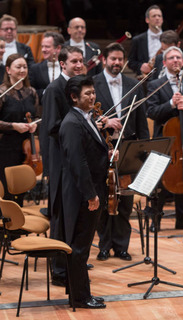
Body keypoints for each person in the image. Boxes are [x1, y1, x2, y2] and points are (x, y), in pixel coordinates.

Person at [60, 75, 114, 309]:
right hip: (83, 194)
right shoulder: (72, 122)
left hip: (91, 189)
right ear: (74, 97)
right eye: (87, 94)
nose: (93, 97)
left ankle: (81, 293)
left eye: (93, 92)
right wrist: (91, 195)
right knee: (80, 247)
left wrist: (108, 155)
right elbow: (77, 162)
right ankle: (80, 298)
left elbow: (91, 152)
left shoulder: (86, 117)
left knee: (82, 246)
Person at [94, 42, 149, 261]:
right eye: (113, 59)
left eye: (120, 59)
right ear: (104, 60)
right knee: (104, 198)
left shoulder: (133, 84)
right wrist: (105, 122)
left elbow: (141, 119)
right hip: (103, 147)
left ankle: (122, 246)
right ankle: (104, 245)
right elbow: (88, 117)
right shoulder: (93, 84)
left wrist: (143, 149)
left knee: (125, 200)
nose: (117, 63)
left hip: (127, 147)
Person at [40, 46, 85, 286]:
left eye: (81, 61)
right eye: (74, 61)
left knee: (75, 216)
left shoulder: (79, 89)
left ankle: (72, 262)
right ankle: (58, 270)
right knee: (60, 216)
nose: (79, 65)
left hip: (75, 161)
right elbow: (51, 126)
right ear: (62, 64)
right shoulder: (54, 89)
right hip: (60, 162)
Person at [146, 46, 183, 230]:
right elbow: (152, 112)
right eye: (171, 58)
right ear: (164, 62)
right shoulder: (156, 85)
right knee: (161, 182)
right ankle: (156, 219)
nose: (176, 60)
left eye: (179, 57)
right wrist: (170, 104)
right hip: (165, 140)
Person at [0, 53, 39, 205]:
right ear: (8, 70)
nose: (22, 70)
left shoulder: (32, 92)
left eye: (25, 67)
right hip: (6, 146)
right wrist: (13, 126)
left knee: (21, 185)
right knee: (6, 186)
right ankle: (5, 223)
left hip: (26, 147)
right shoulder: (2, 93)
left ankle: (19, 224)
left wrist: (34, 124)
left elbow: (35, 116)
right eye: (18, 67)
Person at [29, 32, 65, 103]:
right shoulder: (35, 68)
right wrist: (47, 92)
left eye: (47, 47)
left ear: (58, 48)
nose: (43, 50)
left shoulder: (67, 66)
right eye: (42, 46)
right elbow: (31, 92)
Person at [128, 5, 163, 76]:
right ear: (147, 20)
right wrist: (140, 66)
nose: (157, 18)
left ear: (162, 19)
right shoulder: (138, 40)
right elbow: (130, 62)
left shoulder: (169, 38)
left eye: (159, 16)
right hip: (146, 79)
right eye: (154, 16)